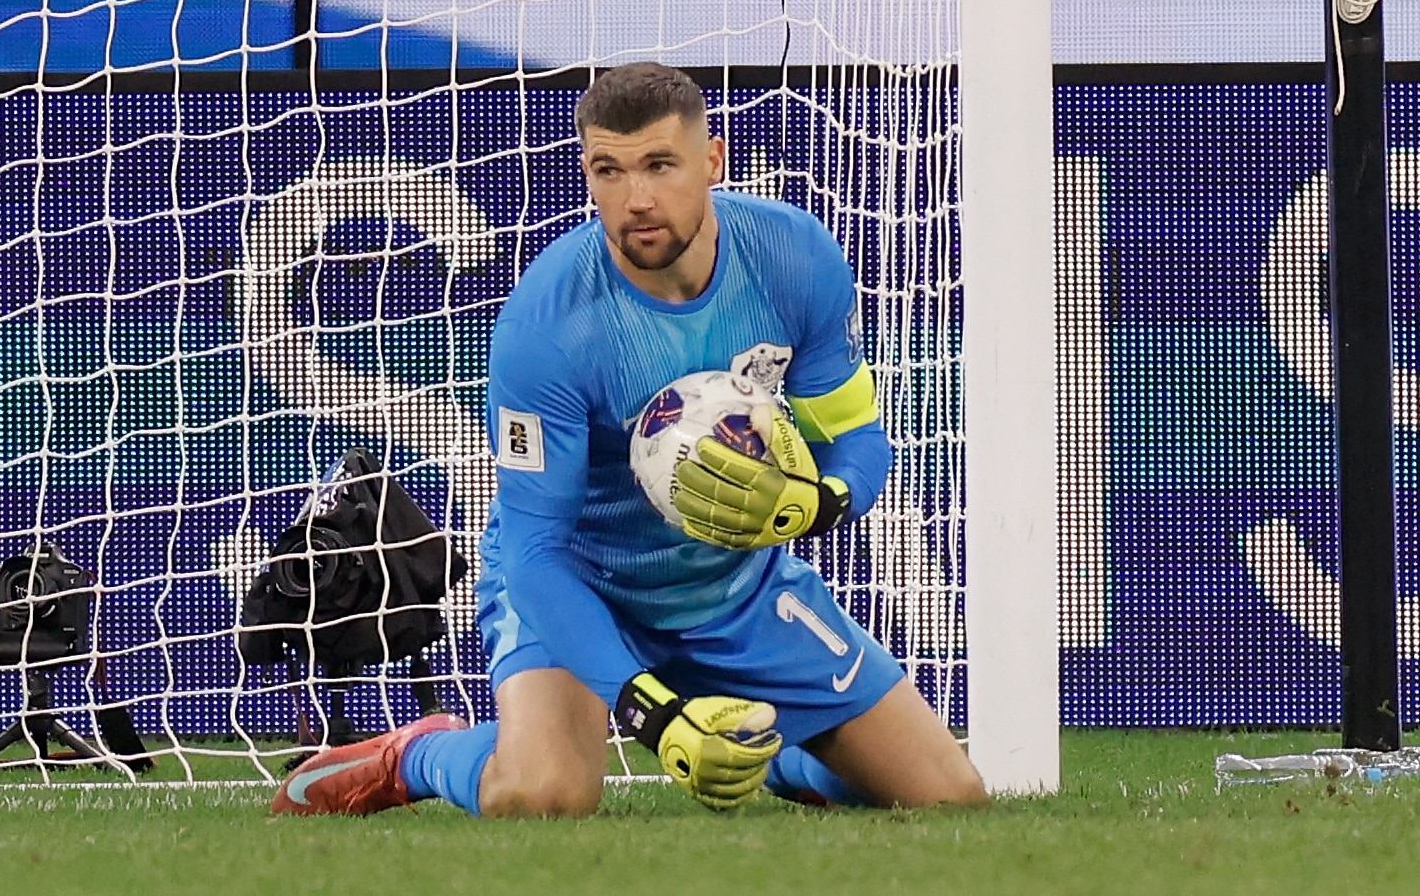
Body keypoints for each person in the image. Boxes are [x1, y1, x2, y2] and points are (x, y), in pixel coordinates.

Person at [271, 61, 987, 818]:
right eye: (606, 171)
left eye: (658, 165)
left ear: (711, 161)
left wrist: (823, 502)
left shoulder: (792, 257)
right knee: (543, 797)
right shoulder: (544, 329)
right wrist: (657, 716)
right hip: (581, 588)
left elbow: (857, 440)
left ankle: (769, 757)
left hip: (733, 590)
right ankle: (415, 754)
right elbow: (533, 551)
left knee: (944, 797)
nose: (634, 199)